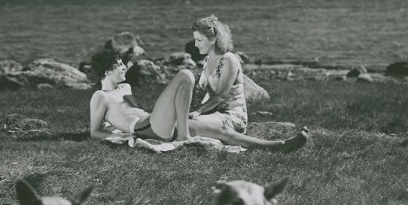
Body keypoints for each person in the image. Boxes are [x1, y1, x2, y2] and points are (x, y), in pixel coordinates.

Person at [89, 46, 307, 152]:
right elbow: (94, 131)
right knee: (184, 75)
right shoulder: (100, 96)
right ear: (107, 72)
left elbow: (132, 111)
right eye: (119, 65)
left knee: (222, 132)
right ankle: (183, 135)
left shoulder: (125, 87)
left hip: (155, 122)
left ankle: (277, 146)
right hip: (146, 127)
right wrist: (122, 135)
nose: (125, 67)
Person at [187, 15, 308, 151]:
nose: (195, 44)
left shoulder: (229, 60)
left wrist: (198, 112)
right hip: (213, 114)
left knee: (191, 123)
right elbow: (208, 94)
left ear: (213, 39)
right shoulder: (208, 61)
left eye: (199, 40)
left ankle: (276, 146)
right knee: (184, 122)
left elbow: (221, 95)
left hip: (232, 116)